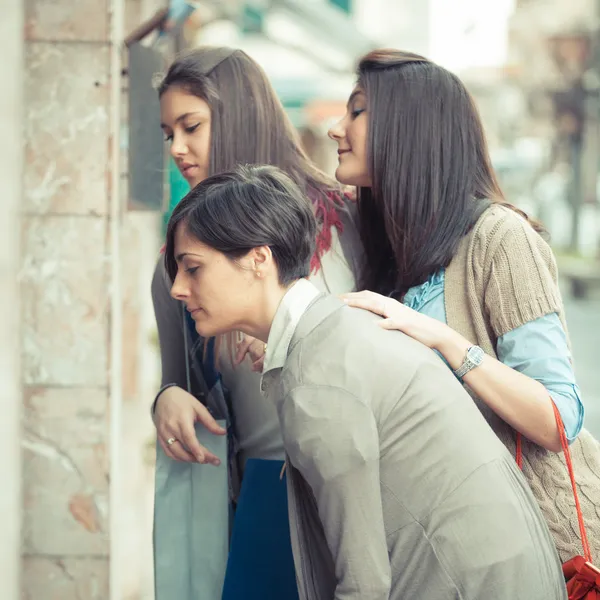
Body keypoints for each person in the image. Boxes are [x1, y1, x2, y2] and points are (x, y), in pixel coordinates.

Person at [165, 164, 568, 600]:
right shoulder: (337, 334)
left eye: (192, 268)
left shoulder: (319, 379)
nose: (178, 289)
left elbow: (363, 585)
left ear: (258, 260)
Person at [330, 49, 600, 562]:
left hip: (531, 549)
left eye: (357, 110)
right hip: (442, 544)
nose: (334, 128)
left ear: (409, 126)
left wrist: (448, 342)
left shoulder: (500, 238)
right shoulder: (390, 246)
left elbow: (558, 417)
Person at [151, 46, 361, 598]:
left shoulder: (348, 221)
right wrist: (166, 398)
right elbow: (182, 381)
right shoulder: (177, 258)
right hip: (262, 489)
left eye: (191, 125)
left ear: (240, 112)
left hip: (357, 479)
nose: (177, 147)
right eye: (167, 132)